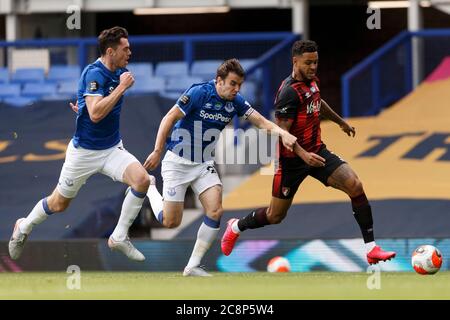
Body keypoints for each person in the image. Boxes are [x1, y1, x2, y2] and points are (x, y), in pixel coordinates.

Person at [221, 40, 396, 265]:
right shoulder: (288, 93)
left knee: (355, 185)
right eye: (308, 63)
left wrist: (341, 122)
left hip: (317, 152)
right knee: (275, 216)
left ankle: (371, 248)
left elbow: (318, 102)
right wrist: (303, 156)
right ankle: (235, 226)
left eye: (316, 62)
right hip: (291, 161)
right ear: (295, 62)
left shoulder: (312, 82)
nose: (313, 67)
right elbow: (282, 133)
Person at [143, 58, 297, 276]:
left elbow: (262, 122)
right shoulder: (199, 93)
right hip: (177, 161)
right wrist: (158, 150)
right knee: (170, 222)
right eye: (233, 84)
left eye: (239, 85)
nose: (236, 89)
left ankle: (193, 265)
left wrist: (283, 133)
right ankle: (150, 188)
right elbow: (169, 118)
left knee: (215, 210)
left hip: (203, 164)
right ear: (219, 81)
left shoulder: (236, 102)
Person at [9, 26, 150, 262]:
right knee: (59, 203)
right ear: (110, 51)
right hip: (84, 153)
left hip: (112, 148)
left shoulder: (119, 70)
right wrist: (121, 88)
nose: (130, 52)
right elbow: (95, 114)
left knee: (142, 180)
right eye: (125, 48)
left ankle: (119, 236)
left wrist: (86, 106)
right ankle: (23, 226)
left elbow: (92, 106)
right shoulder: (94, 73)